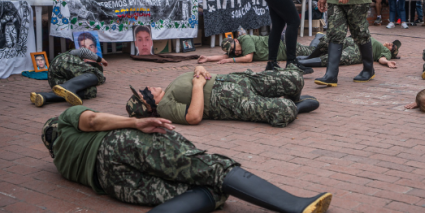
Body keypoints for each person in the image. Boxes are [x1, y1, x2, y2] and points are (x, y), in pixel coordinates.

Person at [41, 107, 333, 213]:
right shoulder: (66, 119)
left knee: (209, 189)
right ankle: (294, 206)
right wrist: (135, 121)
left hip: (110, 182)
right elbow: (91, 121)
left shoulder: (60, 162)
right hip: (120, 145)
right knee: (211, 169)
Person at [127, 65, 319, 127]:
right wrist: (198, 84)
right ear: (148, 105)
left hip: (235, 80)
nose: (147, 87)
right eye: (144, 93)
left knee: (295, 77)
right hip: (227, 100)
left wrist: (198, 68)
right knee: (284, 110)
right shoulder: (164, 108)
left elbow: (197, 75)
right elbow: (193, 117)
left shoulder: (168, 89)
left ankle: (289, 97)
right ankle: (294, 106)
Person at [30, 48, 107, 107]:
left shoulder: (79, 73)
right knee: (97, 74)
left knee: (91, 91)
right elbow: (84, 51)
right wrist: (99, 59)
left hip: (54, 79)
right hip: (62, 61)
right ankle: (68, 87)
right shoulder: (74, 56)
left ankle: (44, 96)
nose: (89, 67)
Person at [197, 34, 315, 65]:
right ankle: (320, 40)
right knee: (313, 52)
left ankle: (324, 41)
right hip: (284, 52)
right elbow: (224, 56)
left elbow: (248, 59)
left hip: (285, 47)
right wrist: (207, 58)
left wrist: (230, 60)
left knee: (313, 53)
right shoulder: (238, 49)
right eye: (232, 52)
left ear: (236, 40)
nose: (235, 53)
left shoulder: (245, 40)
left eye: (234, 49)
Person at [298, 35, 400, 69]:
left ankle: (301, 62)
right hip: (353, 41)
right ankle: (307, 57)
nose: (391, 44)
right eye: (392, 43)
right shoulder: (378, 43)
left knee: (337, 57)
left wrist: (387, 62)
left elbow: (382, 59)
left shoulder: (386, 51)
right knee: (330, 39)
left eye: (393, 47)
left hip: (359, 51)